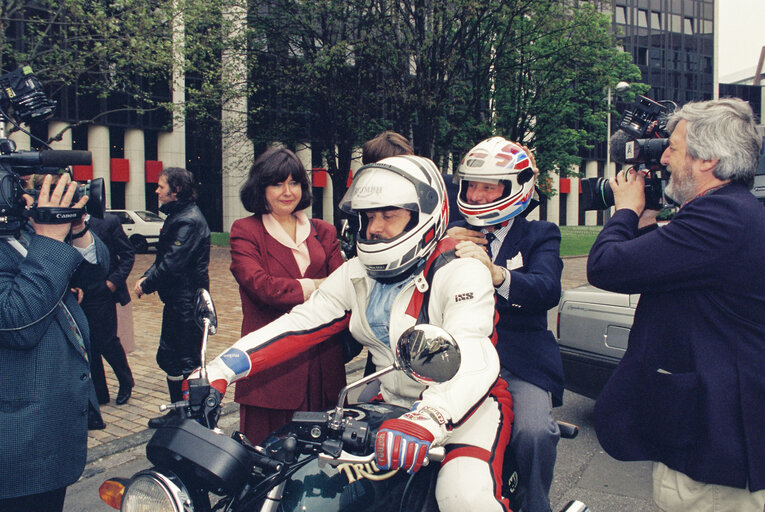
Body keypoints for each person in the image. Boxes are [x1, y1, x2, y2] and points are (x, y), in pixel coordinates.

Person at [192, 155, 514, 511]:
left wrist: (429, 418)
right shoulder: (357, 272)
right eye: (368, 216)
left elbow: (472, 351)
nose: (374, 228)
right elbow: (299, 323)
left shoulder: (462, 270)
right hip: (392, 405)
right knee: (320, 487)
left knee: (463, 497)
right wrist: (220, 371)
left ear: (425, 213)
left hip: (466, 410)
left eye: (388, 215)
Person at [587, 98, 765, 511]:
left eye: (673, 147)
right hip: (706, 439)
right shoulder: (728, 213)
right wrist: (644, 220)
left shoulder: (720, 218)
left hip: (718, 456)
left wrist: (626, 211)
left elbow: (607, 267)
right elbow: (654, 266)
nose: (663, 157)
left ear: (708, 160)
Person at [446, 137, 564, 512]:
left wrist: (496, 274)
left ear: (516, 187)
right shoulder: (447, 231)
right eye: (472, 186)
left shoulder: (540, 234)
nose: (478, 195)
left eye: (489, 186)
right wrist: (440, 248)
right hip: (454, 360)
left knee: (533, 433)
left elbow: (547, 288)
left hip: (517, 362)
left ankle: (534, 505)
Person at [0, 174, 108, 512]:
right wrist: (49, 239)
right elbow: (18, 322)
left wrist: (74, 229)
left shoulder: (21, 229)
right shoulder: (35, 235)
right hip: (16, 448)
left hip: (48, 433)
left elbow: (95, 272)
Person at [229, 147, 347, 445]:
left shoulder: (324, 231)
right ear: (261, 187)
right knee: (265, 456)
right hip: (272, 367)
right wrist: (316, 287)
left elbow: (345, 287)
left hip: (323, 366)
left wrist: (324, 287)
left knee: (319, 462)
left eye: (294, 183)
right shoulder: (246, 231)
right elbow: (262, 288)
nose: (287, 191)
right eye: (277, 183)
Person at [134, 167, 211, 428]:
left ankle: (193, 418)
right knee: (170, 357)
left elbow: (172, 263)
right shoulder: (179, 216)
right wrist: (147, 276)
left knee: (187, 360)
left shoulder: (188, 220)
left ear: (175, 190)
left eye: (161, 186)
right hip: (177, 301)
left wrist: (147, 284)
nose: (156, 190)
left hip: (186, 303)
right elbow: (163, 258)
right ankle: (180, 412)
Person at [81, 212, 136, 406]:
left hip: (104, 292)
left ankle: (125, 380)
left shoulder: (107, 222)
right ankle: (100, 392)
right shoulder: (61, 224)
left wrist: (113, 282)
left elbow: (128, 255)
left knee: (107, 341)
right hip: (79, 293)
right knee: (89, 345)